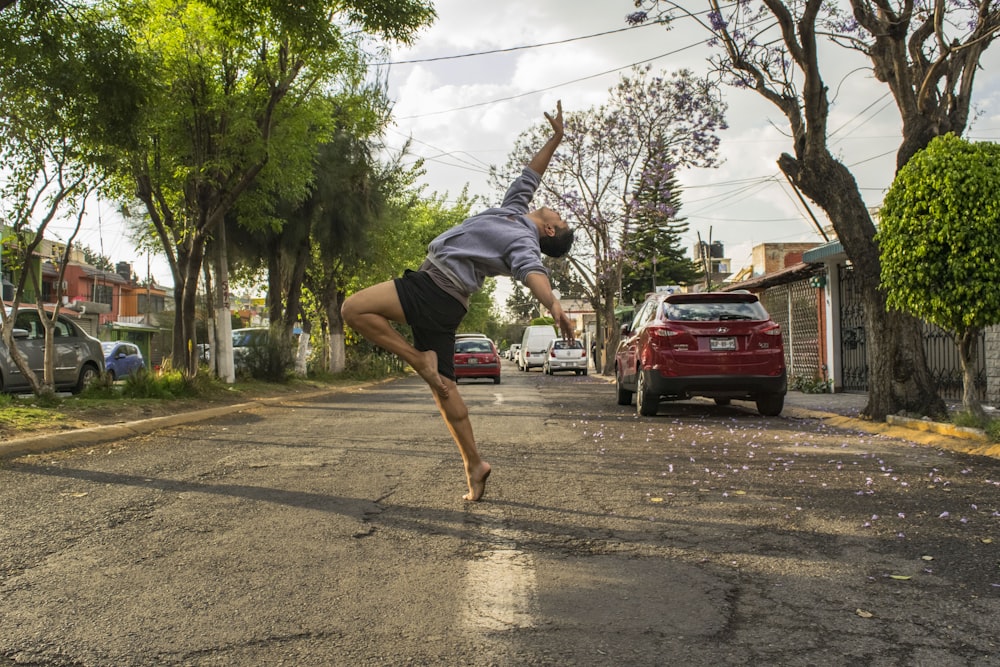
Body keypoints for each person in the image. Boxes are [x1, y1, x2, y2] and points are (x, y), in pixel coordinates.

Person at [341, 101, 575, 502]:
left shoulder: (523, 238)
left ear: (549, 230)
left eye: (560, 218)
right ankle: (474, 464)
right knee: (444, 388)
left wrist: (551, 302)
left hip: (434, 289)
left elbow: (532, 272)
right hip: (446, 300)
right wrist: (556, 138)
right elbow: (531, 174)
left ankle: (418, 360)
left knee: (352, 309)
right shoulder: (514, 211)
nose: (555, 209)